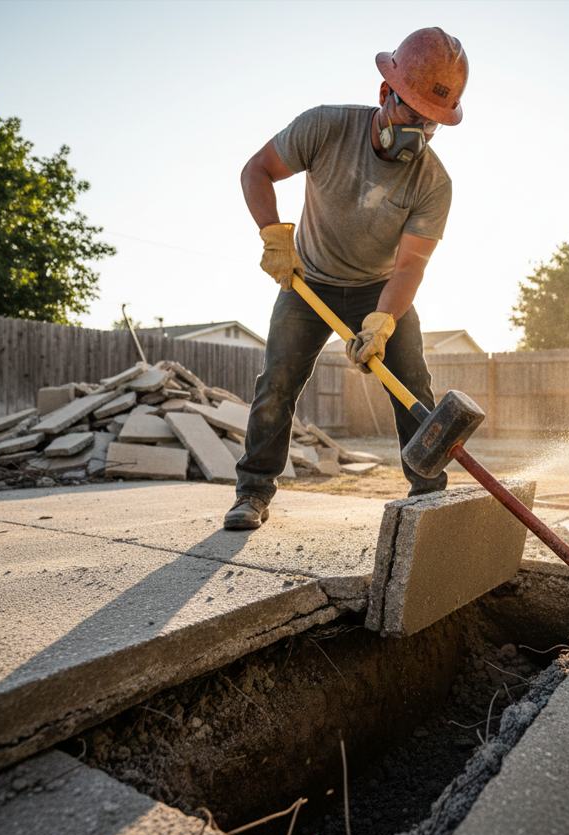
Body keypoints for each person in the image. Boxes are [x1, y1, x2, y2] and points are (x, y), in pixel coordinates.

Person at [225, 26, 469, 531]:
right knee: (277, 384)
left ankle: (428, 495)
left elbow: (409, 267)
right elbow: (256, 170)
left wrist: (383, 321)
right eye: (411, 113)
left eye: (431, 123)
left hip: (381, 293)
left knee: (414, 390)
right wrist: (274, 237)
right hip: (307, 281)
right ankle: (252, 492)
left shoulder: (434, 183)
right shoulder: (325, 128)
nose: (418, 133)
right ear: (385, 93)